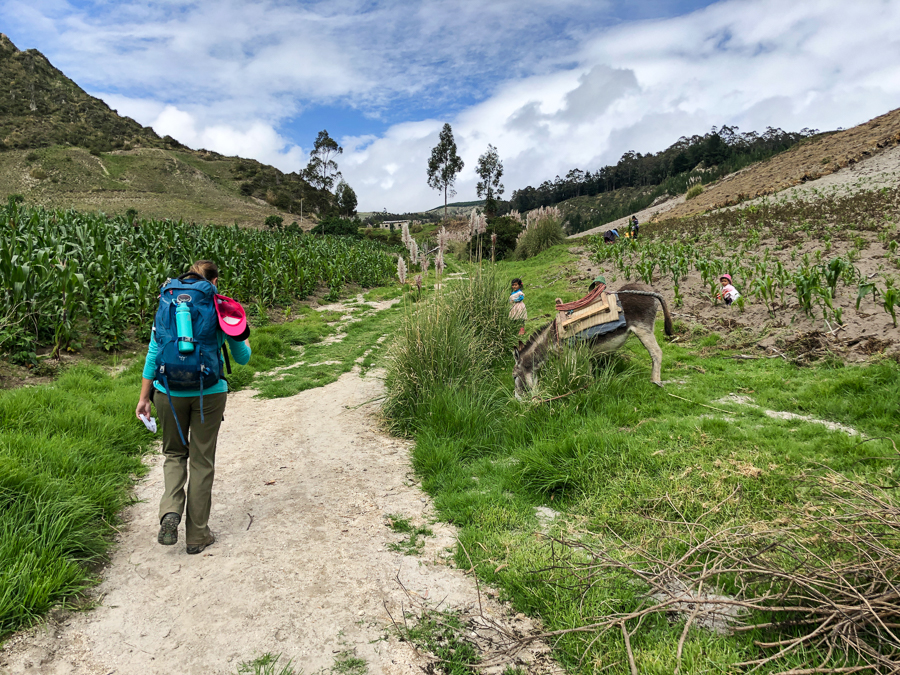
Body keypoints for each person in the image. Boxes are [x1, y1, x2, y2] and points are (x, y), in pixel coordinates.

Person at [135, 260, 252, 555]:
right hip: (209, 392)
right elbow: (242, 358)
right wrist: (240, 333)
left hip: (167, 392)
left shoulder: (168, 304)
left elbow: (153, 353)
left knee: (174, 454)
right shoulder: (218, 306)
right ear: (213, 282)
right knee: (201, 461)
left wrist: (144, 397)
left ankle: (170, 511)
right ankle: (198, 535)